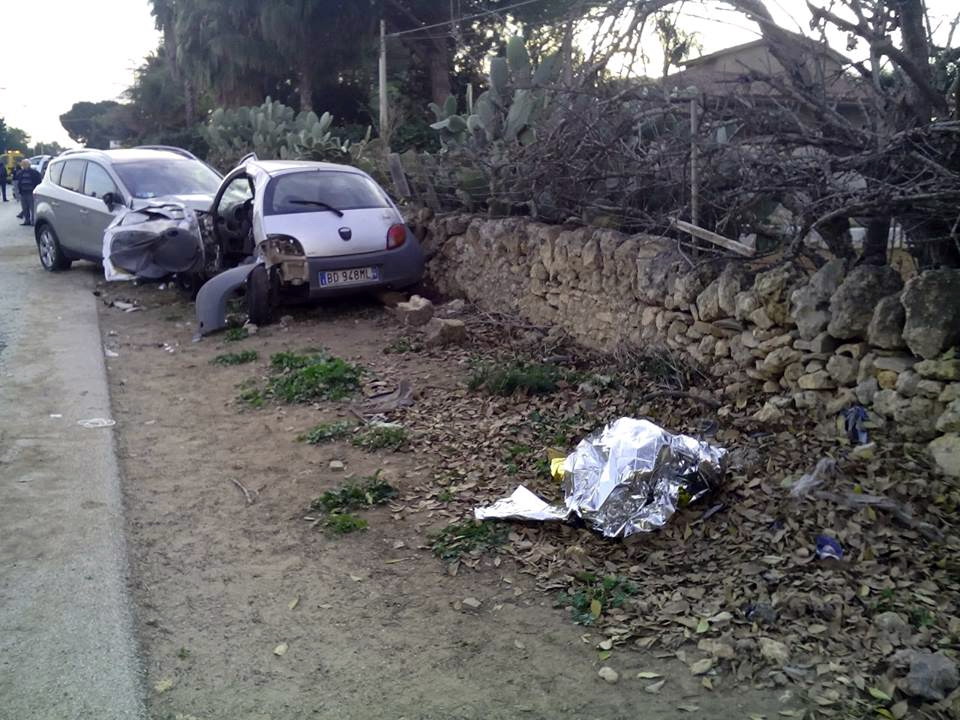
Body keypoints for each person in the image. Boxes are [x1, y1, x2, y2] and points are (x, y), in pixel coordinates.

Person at [16, 159, 42, 226]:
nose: (23, 165)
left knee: (32, 208)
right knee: (25, 208)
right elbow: (18, 182)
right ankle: (27, 221)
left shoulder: (34, 172)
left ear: (29, 164)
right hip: (23, 193)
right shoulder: (20, 173)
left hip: (31, 193)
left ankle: (33, 221)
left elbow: (39, 181)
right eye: (23, 164)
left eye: (25, 164)